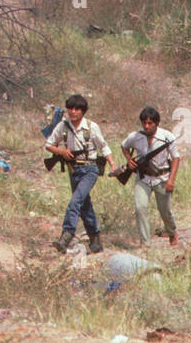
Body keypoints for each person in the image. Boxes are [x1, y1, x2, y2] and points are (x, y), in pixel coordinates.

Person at [46, 93, 114, 254]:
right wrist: (62, 152)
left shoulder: (91, 127)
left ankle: (66, 236)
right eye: (70, 108)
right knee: (84, 206)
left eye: (77, 109)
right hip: (73, 169)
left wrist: (112, 163)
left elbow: (103, 146)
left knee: (75, 201)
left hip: (90, 169)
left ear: (83, 111)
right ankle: (95, 239)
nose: (73, 112)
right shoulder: (62, 126)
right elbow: (49, 144)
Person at [121, 106, 180, 246]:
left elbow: (176, 158)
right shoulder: (135, 137)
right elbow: (124, 146)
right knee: (140, 208)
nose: (146, 126)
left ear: (156, 123)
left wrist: (171, 180)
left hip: (162, 178)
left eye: (150, 123)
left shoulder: (167, 137)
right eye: (144, 123)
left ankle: (172, 232)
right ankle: (145, 243)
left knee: (165, 211)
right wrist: (129, 160)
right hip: (143, 178)